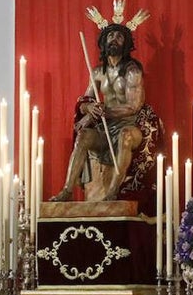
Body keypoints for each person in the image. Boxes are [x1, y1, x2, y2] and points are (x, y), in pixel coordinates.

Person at [50, 21, 159, 203]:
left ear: (126, 44)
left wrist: (105, 112)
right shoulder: (98, 72)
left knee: (125, 136)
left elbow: (134, 106)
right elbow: (85, 101)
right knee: (83, 135)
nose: (114, 40)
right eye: (110, 36)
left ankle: (113, 192)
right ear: (103, 42)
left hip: (130, 126)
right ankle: (67, 190)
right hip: (106, 128)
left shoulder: (132, 71)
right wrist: (89, 108)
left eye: (119, 36)